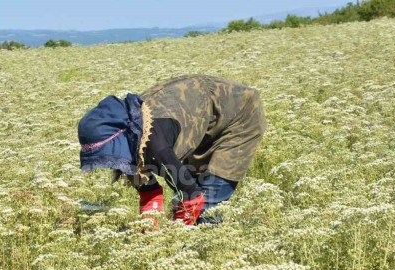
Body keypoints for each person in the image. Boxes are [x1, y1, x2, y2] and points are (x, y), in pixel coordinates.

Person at [77, 74, 267, 226]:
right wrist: (146, 230)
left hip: (237, 115)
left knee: (208, 203)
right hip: (200, 116)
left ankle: (205, 258)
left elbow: (193, 198)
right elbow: (150, 193)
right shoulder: (131, 136)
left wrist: (173, 241)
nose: (111, 162)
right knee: (183, 195)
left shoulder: (156, 145)